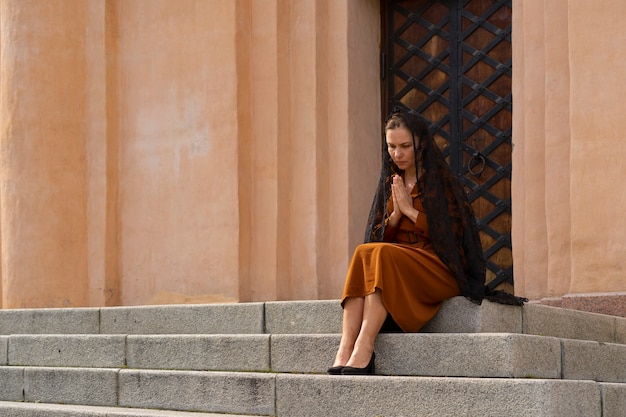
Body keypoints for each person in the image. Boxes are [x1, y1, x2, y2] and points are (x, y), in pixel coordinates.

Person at [328, 107, 525, 376]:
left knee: (381, 256)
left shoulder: (442, 183)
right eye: (391, 146)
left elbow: (455, 236)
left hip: (439, 266)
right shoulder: (391, 182)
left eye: (405, 146)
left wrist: (411, 212)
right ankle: (346, 346)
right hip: (401, 262)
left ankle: (365, 346)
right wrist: (396, 216)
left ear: (420, 144)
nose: (397, 154)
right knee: (365, 252)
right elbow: (376, 238)